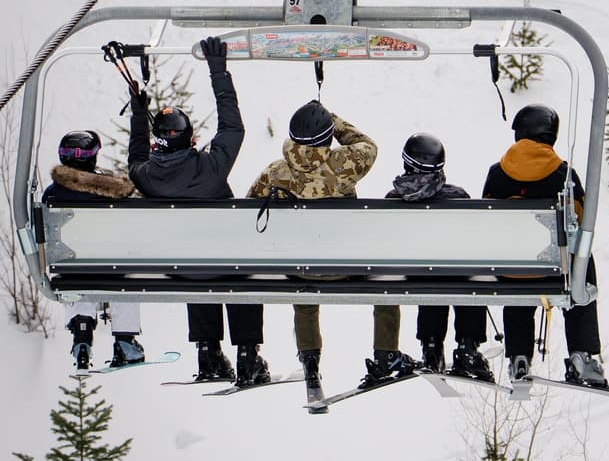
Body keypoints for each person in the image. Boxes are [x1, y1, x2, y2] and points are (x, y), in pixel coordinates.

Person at [128, 36, 270, 387]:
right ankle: (247, 355)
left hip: (184, 267)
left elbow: (135, 158)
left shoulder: (147, 177)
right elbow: (232, 127)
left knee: (194, 263)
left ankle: (208, 352)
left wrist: (138, 116)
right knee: (237, 270)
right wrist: (218, 72)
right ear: (191, 139)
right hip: (229, 263)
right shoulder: (211, 168)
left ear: (156, 142)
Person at [247, 100, 377, 392]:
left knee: (303, 285)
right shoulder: (344, 165)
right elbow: (367, 144)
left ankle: (310, 361)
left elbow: (249, 206)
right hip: (344, 266)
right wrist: (334, 119)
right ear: (327, 136)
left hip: (299, 267)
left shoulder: (275, 172)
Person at [482, 104, 608, 388]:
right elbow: (580, 221)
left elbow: (488, 222)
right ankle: (581, 353)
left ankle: (519, 357)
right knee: (582, 264)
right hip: (555, 270)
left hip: (509, 271)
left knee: (516, 270)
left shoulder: (497, 174)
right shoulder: (564, 174)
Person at [360, 133, 493, 388]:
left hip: (412, 274)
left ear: (406, 163)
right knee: (464, 272)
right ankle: (467, 347)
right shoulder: (459, 197)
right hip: (455, 274)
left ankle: (431, 346)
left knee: (429, 274)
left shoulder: (393, 199)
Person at [42, 130, 144, 371]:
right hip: (112, 268)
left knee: (77, 280)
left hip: (69, 266)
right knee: (125, 278)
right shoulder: (115, 192)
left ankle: (82, 337)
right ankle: (125, 341)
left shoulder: (52, 194)